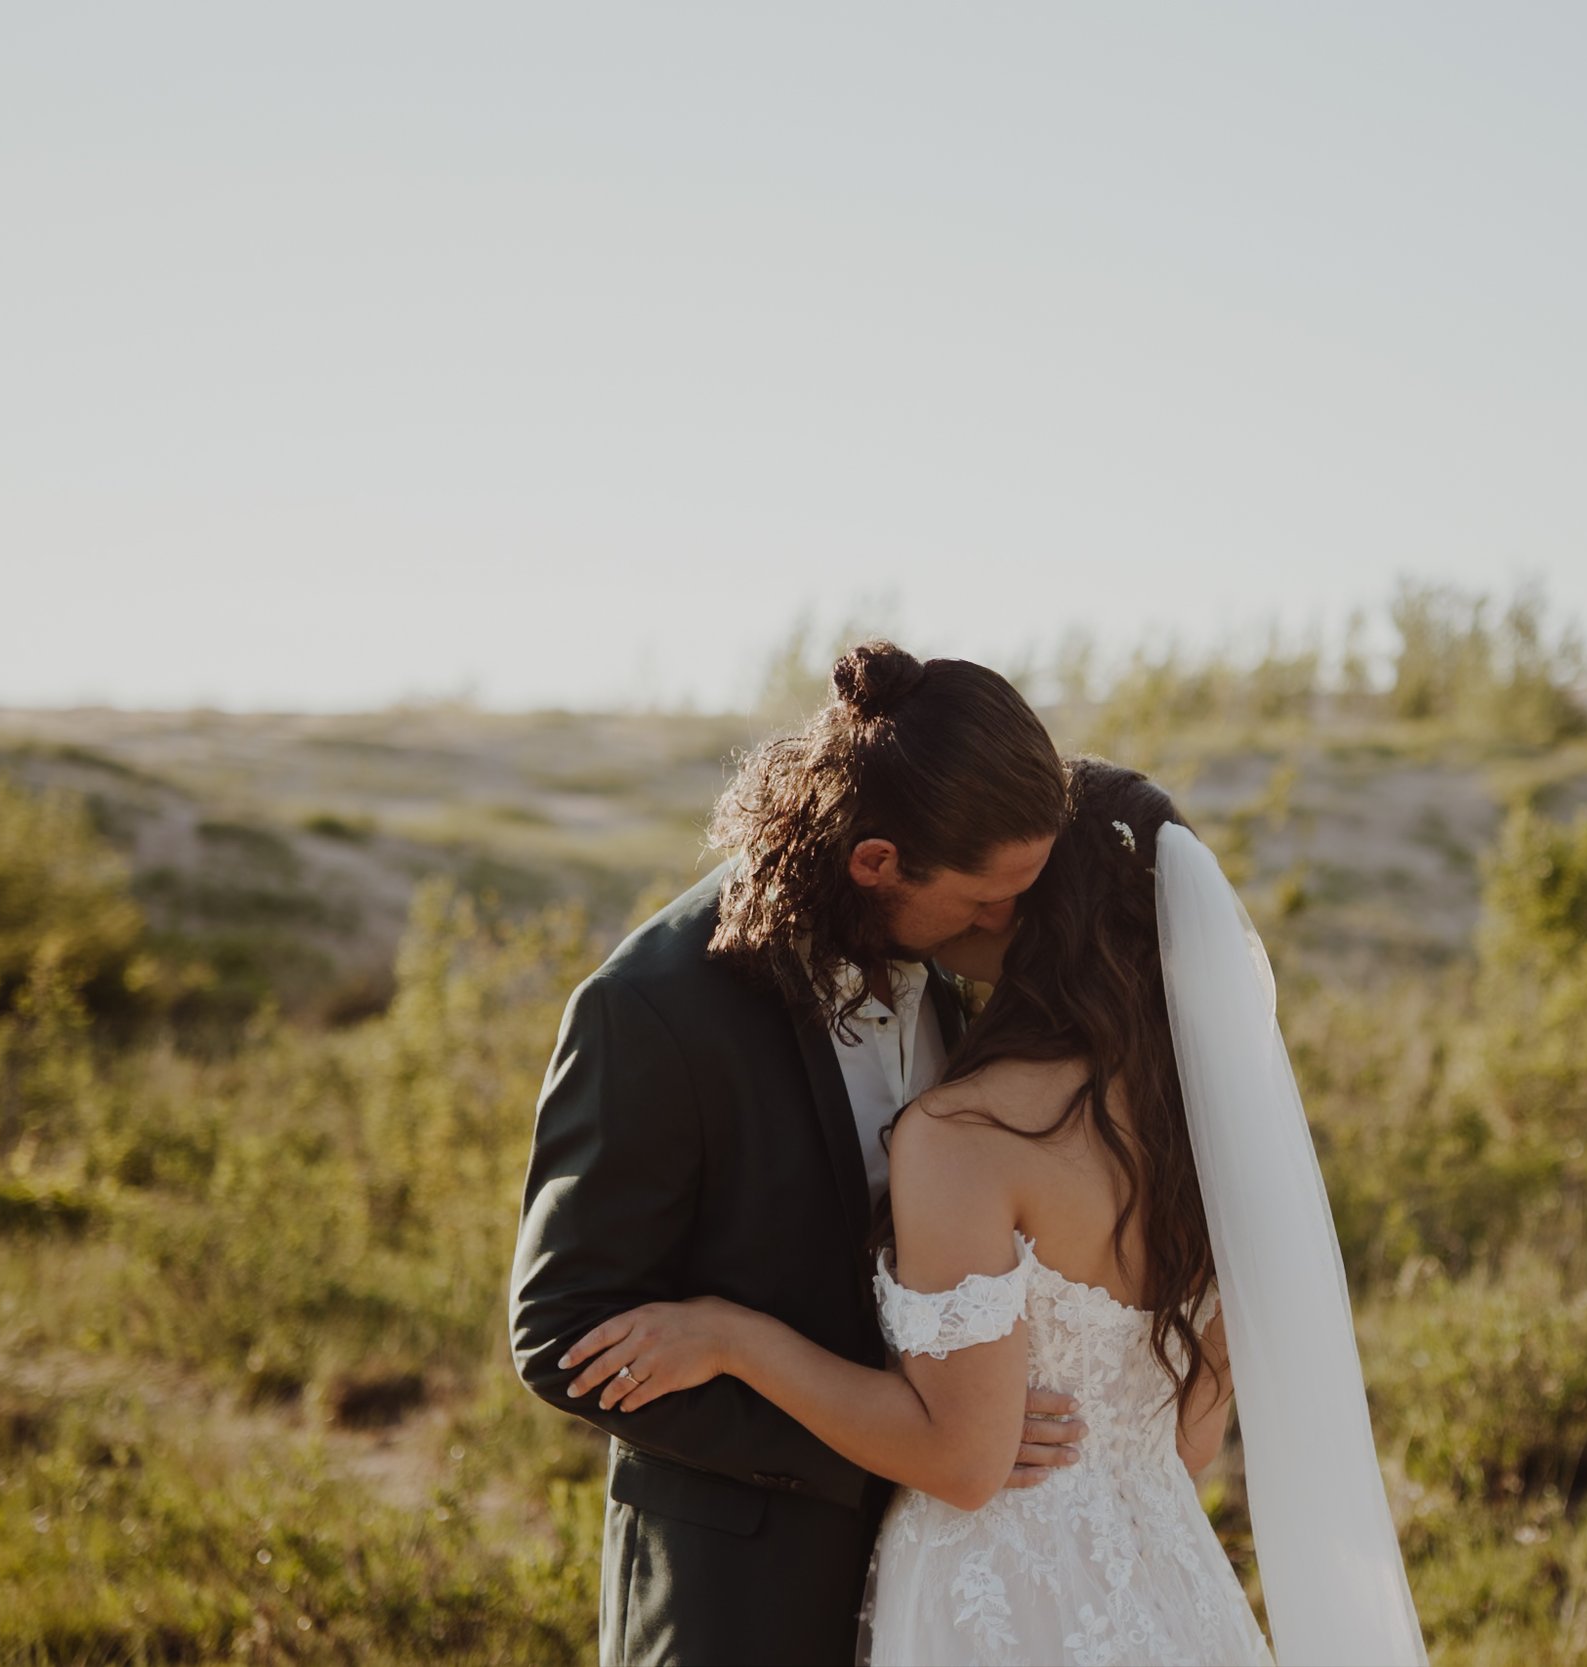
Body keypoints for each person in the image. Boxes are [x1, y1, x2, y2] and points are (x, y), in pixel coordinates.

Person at [561, 760, 1427, 1666]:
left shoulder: (965, 1135)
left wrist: (737, 1338)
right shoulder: (1210, 1132)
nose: (976, 903)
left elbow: (963, 1465)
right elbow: (1187, 1442)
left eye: (1004, 886)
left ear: (1045, 913)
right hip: (1169, 1593)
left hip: (997, 1601)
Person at [509, 642, 1085, 1666]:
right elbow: (562, 1331)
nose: (1008, 922)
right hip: (740, 1592)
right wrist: (897, 1446)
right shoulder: (651, 1009)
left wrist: (970, 1420)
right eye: (985, 898)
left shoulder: (947, 960)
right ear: (876, 863)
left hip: (948, 1583)